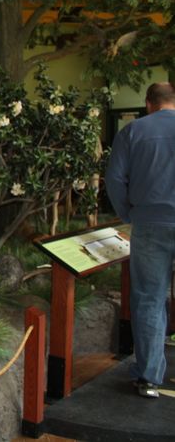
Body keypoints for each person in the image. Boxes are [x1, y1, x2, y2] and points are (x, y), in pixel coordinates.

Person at [105, 81, 175, 399]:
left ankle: (149, 378)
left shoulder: (133, 132)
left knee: (149, 298)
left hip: (149, 223)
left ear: (149, 103)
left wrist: (128, 214)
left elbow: (115, 179)